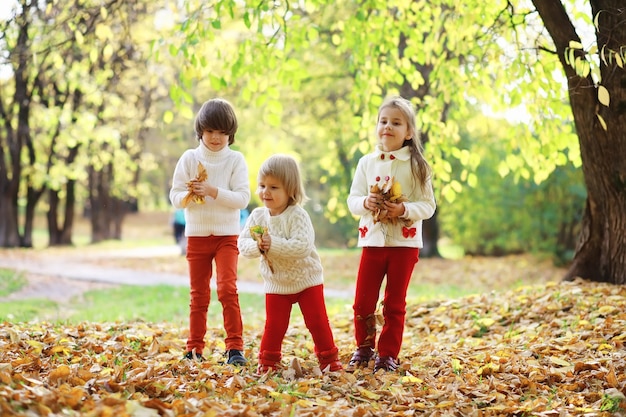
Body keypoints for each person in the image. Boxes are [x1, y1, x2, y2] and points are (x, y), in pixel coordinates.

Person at [346, 96, 436, 372]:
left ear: (408, 132)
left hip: (404, 244)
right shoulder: (366, 163)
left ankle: (387, 354)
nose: (387, 127)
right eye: (383, 121)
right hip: (372, 241)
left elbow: (428, 206)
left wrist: (403, 209)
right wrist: (365, 203)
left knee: (394, 303)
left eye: (396, 123)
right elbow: (352, 200)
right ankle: (364, 347)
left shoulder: (417, 165)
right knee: (363, 301)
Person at [238, 154, 343, 374]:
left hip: (306, 280)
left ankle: (329, 359)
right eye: (262, 185)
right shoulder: (258, 216)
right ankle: (268, 362)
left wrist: (272, 243)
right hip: (277, 283)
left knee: (317, 322)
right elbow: (243, 243)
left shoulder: (297, 215)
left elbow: (302, 246)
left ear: (290, 191)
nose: (266, 192)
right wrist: (258, 247)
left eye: (274, 187)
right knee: (274, 326)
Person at [169, 98, 250, 365]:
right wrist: (189, 196)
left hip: (227, 236)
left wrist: (213, 191)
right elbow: (175, 195)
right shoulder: (190, 159)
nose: (216, 138)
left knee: (227, 289)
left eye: (222, 132)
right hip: (197, 235)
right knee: (199, 294)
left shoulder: (236, 160)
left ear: (230, 133)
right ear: (201, 130)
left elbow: (242, 199)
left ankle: (235, 348)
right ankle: (194, 348)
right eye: (210, 131)